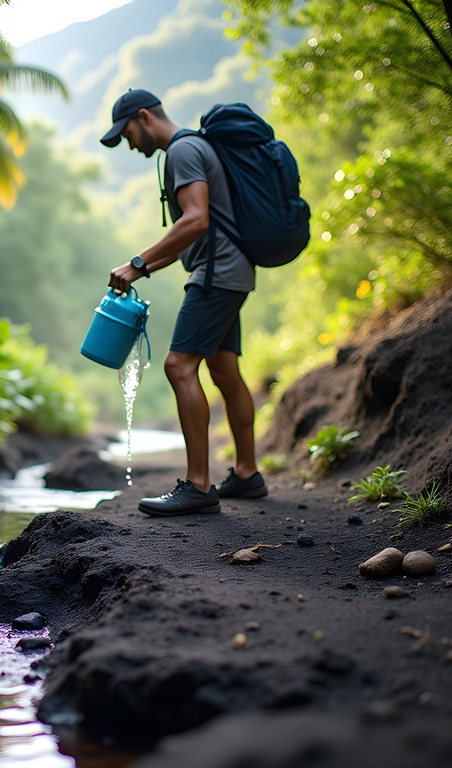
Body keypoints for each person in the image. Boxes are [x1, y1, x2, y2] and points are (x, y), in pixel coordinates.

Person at [100, 88, 267, 517]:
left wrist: (137, 264)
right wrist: (146, 265)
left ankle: (198, 485)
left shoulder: (182, 151)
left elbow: (196, 220)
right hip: (232, 271)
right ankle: (247, 474)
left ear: (144, 117)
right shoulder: (196, 146)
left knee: (179, 366)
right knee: (224, 369)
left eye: (128, 135)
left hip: (216, 273)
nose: (130, 145)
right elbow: (192, 230)